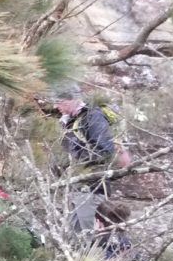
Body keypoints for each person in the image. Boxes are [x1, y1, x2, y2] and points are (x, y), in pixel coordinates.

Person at [53, 83, 131, 233]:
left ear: (72, 99)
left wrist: (79, 163)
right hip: (77, 187)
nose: (57, 107)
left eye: (59, 102)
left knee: (93, 235)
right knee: (75, 236)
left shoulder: (92, 117)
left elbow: (104, 150)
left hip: (92, 188)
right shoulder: (70, 122)